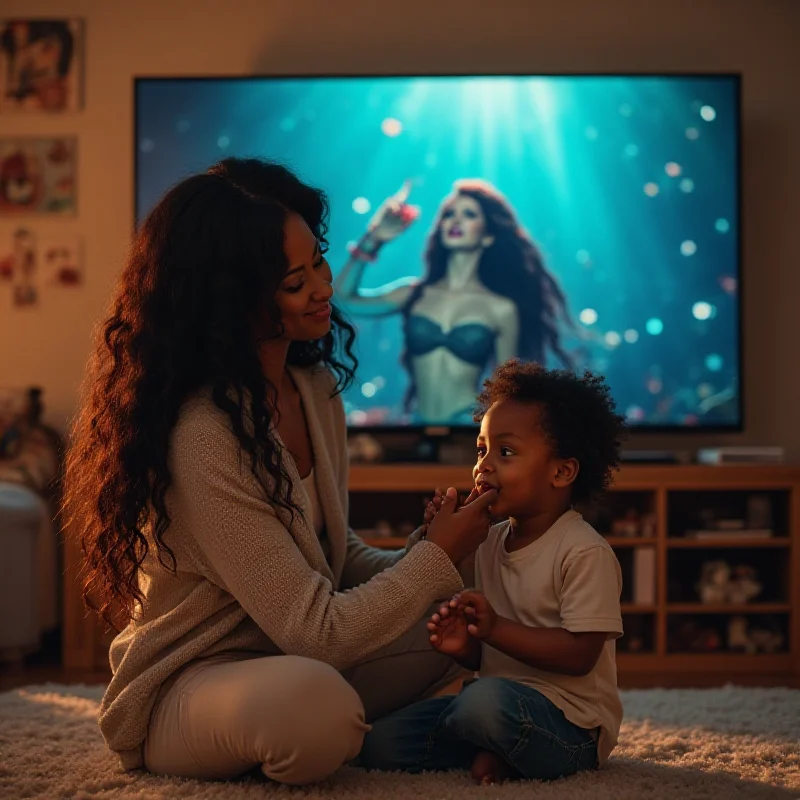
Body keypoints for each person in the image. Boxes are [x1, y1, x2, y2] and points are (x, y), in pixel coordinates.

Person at [62, 157, 498, 785]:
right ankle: (342, 725)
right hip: (194, 683)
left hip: (297, 657)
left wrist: (439, 548)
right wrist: (431, 561)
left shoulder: (313, 388)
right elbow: (316, 630)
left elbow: (334, 558)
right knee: (319, 707)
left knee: (464, 612)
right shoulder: (204, 434)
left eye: (318, 262)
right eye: (295, 281)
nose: (323, 288)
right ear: (231, 300)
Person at [359, 358, 627, 784]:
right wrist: (464, 646)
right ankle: (499, 750)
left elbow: (580, 656)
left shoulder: (583, 552)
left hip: (569, 724)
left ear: (562, 471)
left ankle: (502, 750)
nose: (483, 466)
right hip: (495, 702)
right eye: (481, 450)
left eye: (505, 452)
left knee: (482, 704)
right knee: (378, 743)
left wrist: (495, 627)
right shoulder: (487, 541)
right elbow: (491, 655)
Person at [334, 180, 574, 424]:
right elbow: (341, 299)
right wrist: (374, 238)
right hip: (415, 425)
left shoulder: (501, 308)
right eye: (449, 214)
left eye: (469, 214)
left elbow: (506, 392)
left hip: (467, 428)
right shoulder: (413, 293)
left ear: (488, 235)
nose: (456, 221)